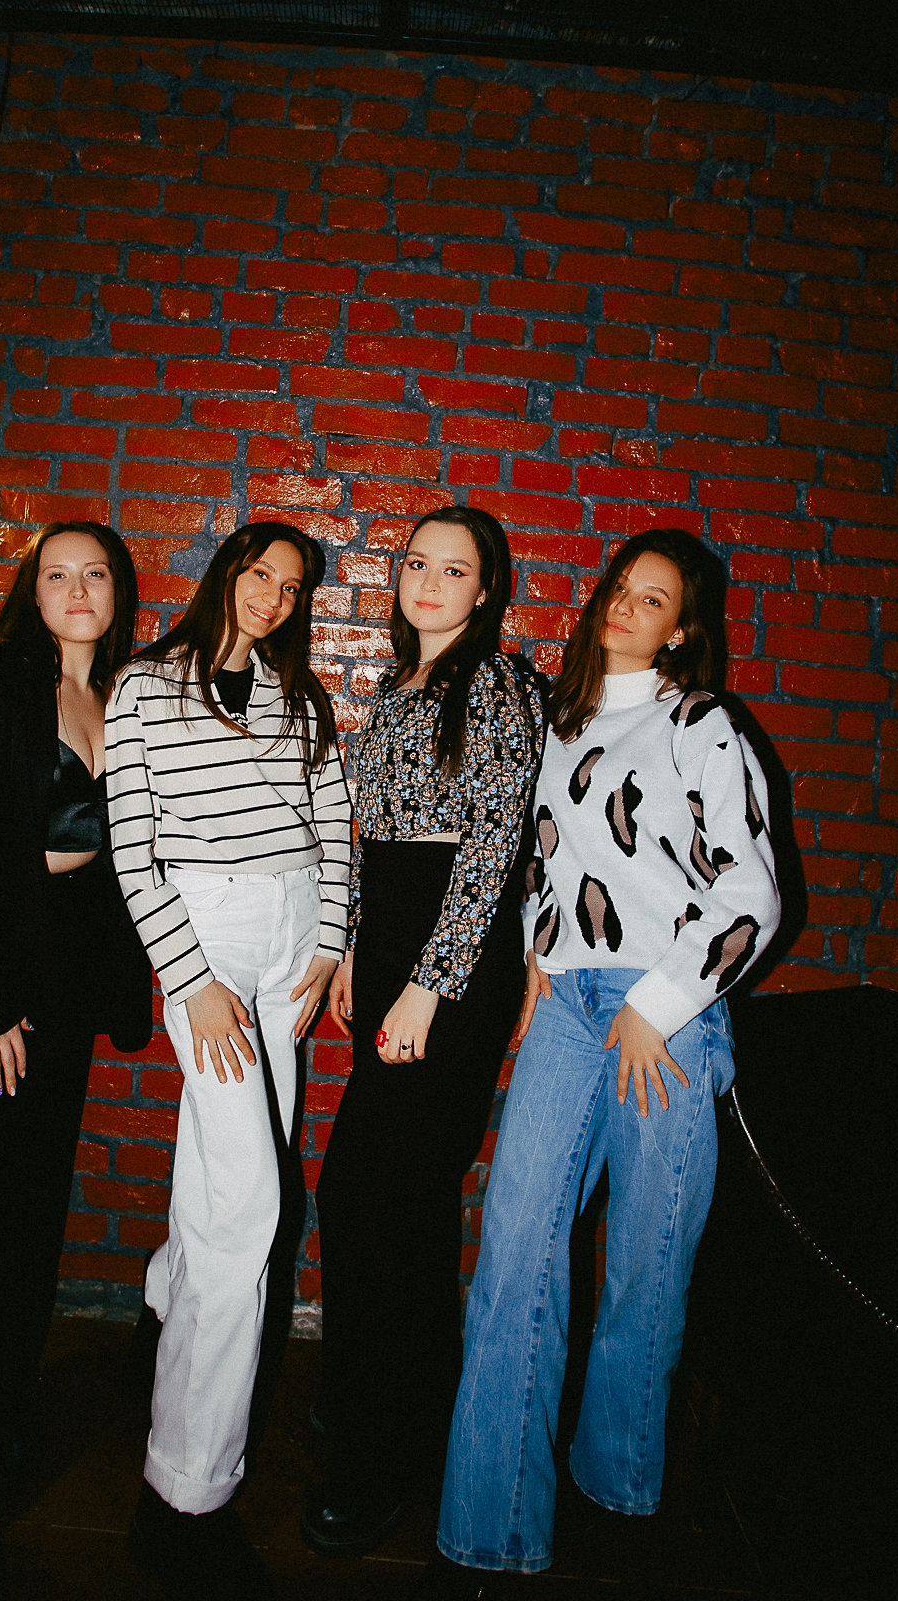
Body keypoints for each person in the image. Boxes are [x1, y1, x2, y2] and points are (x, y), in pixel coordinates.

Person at [430, 527, 782, 1585]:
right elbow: (546, 860)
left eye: (653, 598)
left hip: (665, 1018)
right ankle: (492, 1528)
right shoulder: (560, 722)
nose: (626, 605)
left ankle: (618, 1495)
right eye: (619, 588)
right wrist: (539, 955)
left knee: (644, 1265)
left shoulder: (701, 722)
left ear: (681, 630)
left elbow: (751, 894)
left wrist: (656, 1005)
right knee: (513, 1247)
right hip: (570, 1011)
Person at [105, 520, 352, 1600]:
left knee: (226, 1176)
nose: (274, 599)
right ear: (227, 574)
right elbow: (133, 848)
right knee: (247, 1208)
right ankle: (182, 1495)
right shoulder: (146, 688)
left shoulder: (301, 700)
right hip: (206, 944)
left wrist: (331, 940)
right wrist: (190, 979)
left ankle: (165, 1304)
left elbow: (333, 827)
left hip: (289, 947)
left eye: (292, 588)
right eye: (261, 576)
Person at [0, 520, 151, 1573]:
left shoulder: (124, 696)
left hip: (62, 984)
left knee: (31, 1207)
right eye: (57, 574)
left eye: (95, 574)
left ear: (118, 591)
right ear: (30, 589)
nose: (77, 588)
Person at [303, 506, 545, 1557]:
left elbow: (489, 849)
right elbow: (381, 841)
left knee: (384, 1200)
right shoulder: (398, 687)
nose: (429, 582)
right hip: (400, 940)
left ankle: (388, 1449)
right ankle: (381, 1401)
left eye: (455, 570)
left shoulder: (498, 685)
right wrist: (362, 949)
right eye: (416, 564)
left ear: (485, 592)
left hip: (454, 959)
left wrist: (428, 988)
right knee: (372, 1198)